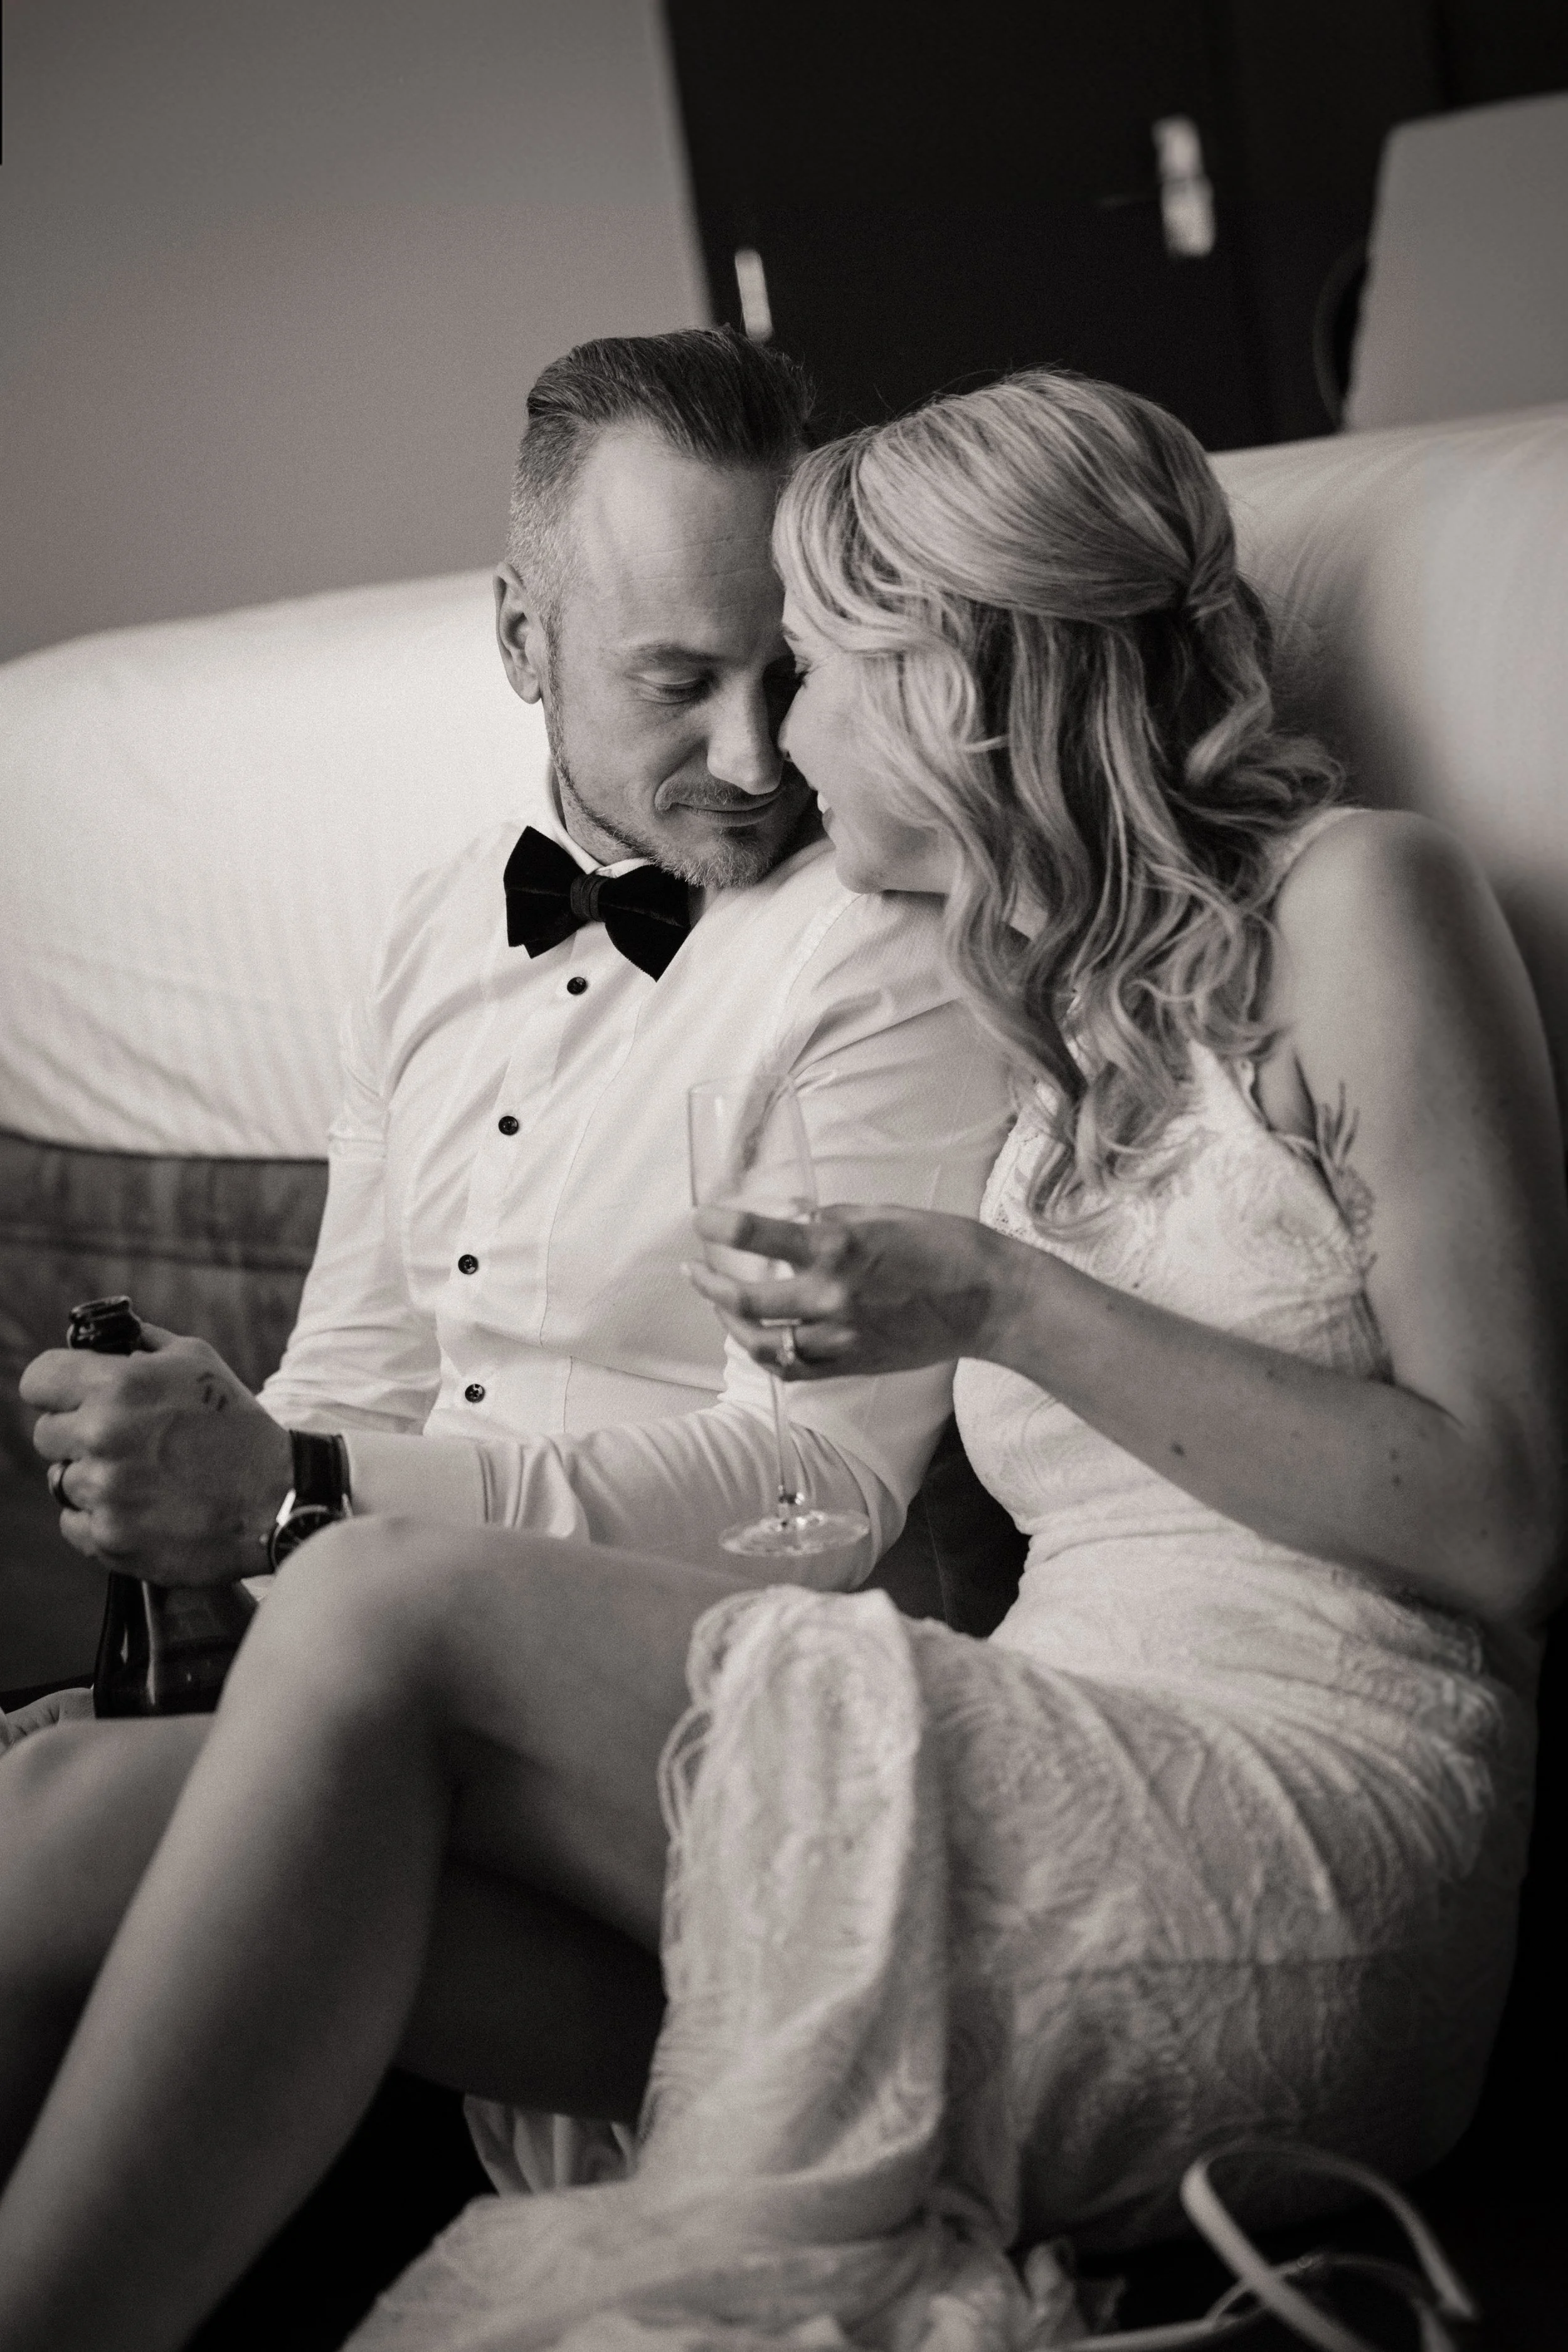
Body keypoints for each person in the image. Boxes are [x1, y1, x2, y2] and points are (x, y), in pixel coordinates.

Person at [0, 368, 1562, 2352]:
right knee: (54, 1832)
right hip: (1022, 1799)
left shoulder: (1364, 899)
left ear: (954, 684)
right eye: (718, 678)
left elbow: (1508, 1520)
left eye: (810, 667)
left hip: (1288, 1825)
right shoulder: (1045, 994)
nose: (781, 749)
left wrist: (1007, 1298)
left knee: (379, 1606)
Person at [12, 327, 1005, 1614]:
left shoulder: (879, 940)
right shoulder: (431, 927)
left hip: (697, 1660)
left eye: (787, 672)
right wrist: (240, 1567)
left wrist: (302, 1487)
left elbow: (811, 1484)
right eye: (679, 681)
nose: (758, 762)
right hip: (379, 1636)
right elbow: (356, 1376)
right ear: (522, 640)